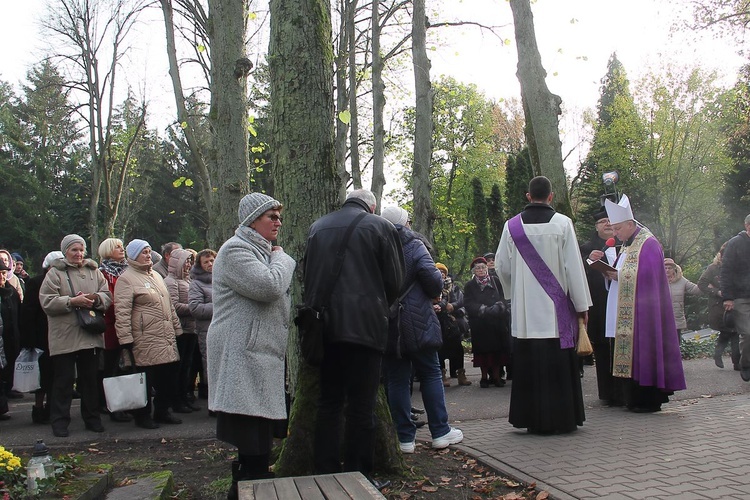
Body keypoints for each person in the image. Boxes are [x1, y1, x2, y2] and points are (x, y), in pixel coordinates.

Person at [304, 189, 404, 482]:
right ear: (372, 206)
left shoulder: (317, 226)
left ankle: (325, 471)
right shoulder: (380, 226)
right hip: (366, 327)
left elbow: (308, 273)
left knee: (329, 402)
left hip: (324, 327)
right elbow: (395, 280)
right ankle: (359, 475)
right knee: (362, 406)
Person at [207, 193, 296, 498]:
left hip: (257, 353)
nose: (278, 222)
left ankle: (248, 487)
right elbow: (268, 286)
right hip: (242, 353)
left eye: (279, 216)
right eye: (271, 216)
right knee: (251, 438)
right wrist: (283, 258)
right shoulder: (235, 250)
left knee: (258, 439)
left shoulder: (261, 250)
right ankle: (247, 489)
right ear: (252, 219)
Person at [496, 176, 591, 434]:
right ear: (551, 196)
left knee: (529, 366)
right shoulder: (562, 223)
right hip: (556, 314)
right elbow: (573, 266)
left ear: (528, 196)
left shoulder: (511, 226)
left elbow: (501, 266)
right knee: (557, 366)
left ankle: (530, 419)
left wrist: (514, 293)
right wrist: (582, 305)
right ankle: (562, 419)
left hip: (526, 317)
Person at [380, 206, 463, 455]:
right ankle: (440, 431)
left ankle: (405, 438)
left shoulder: (374, 245)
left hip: (388, 322)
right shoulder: (415, 245)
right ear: (406, 223)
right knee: (430, 373)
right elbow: (434, 281)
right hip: (418, 320)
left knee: (396, 379)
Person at [604, 194, 686, 411]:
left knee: (645, 352)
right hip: (630, 310)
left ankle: (647, 400)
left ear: (630, 224)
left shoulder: (647, 243)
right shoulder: (627, 243)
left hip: (645, 311)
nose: (615, 233)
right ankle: (633, 398)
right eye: (613, 228)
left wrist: (619, 275)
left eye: (618, 228)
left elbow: (648, 276)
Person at [40, 235, 112, 437]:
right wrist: (72, 301)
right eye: (74, 250)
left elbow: (107, 296)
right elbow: (47, 302)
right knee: (63, 381)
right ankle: (60, 421)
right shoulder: (55, 273)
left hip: (90, 334)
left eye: (81, 250)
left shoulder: (94, 271)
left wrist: (95, 299)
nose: (79, 254)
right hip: (65, 335)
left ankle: (92, 418)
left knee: (90, 380)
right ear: (65, 252)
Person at [114, 239, 183, 429]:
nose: (147, 255)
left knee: (167, 377)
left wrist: (177, 329)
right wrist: (125, 338)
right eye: (143, 252)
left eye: (149, 251)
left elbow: (168, 305)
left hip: (165, 336)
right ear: (134, 255)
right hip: (144, 338)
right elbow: (122, 311)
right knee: (146, 379)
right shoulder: (126, 278)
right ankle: (143, 416)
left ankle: (162, 411)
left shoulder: (157, 276)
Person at [580, 210, 623, 406]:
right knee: (604, 350)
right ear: (596, 226)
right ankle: (608, 393)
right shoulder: (586, 248)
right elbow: (577, 272)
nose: (606, 224)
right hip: (600, 307)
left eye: (610, 221)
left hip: (623, 305)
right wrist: (588, 260)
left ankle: (625, 390)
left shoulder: (626, 245)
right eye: (602, 221)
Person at [20, 251, 63, 425]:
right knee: (42, 376)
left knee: (57, 374)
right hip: (40, 336)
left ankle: (53, 408)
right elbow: (28, 312)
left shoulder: (64, 281)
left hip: (59, 335)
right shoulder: (36, 282)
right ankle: (38, 408)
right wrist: (29, 341)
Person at [97, 238, 132, 423]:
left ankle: (127, 403)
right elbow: (109, 299)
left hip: (129, 324)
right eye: (117, 247)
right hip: (111, 326)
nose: (121, 249)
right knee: (111, 368)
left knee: (126, 366)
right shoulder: (103, 274)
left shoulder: (128, 271)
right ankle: (111, 404)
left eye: (122, 246)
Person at [464, 257, 511, 388]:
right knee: (483, 353)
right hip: (480, 324)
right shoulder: (470, 285)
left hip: (496, 323)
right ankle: (484, 377)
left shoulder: (496, 281)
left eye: (483, 267)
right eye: (478, 268)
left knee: (497, 352)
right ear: (474, 270)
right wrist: (482, 309)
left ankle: (496, 377)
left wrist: (499, 307)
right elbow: (467, 303)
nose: (481, 270)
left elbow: (504, 297)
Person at [165, 248, 200, 414]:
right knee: (179, 367)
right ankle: (176, 399)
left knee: (187, 366)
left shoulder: (188, 280)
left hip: (191, 329)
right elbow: (174, 306)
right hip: (181, 330)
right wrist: (196, 308)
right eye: (185, 261)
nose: (188, 264)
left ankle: (185, 396)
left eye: (190, 261)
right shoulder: (171, 282)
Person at [698, 244, 740, 370]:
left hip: (736, 303)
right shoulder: (713, 268)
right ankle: (720, 354)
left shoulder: (738, 267)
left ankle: (735, 362)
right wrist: (717, 292)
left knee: (735, 332)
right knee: (728, 331)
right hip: (718, 305)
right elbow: (701, 283)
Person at [721, 214, 750, 382]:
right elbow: (726, 272)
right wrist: (728, 298)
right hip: (740, 297)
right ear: (747, 226)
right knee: (747, 334)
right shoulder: (735, 244)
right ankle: (745, 364)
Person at [434, 262, 470, 386]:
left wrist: (452, 306)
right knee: (440, 349)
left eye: (443, 272)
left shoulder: (453, 287)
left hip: (452, 322)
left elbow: (460, 301)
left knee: (457, 349)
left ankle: (461, 374)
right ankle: (442, 375)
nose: (441, 274)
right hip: (438, 321)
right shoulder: (432, 286)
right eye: (438, 271)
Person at [188, 248, 215, 402]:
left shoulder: (221, 278)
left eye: (212, 260)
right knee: (209, 365)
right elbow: (195, 308)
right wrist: (219, 306)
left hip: (222, 327)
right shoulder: (196, 284)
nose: (210, 264)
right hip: (206, 330)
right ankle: (212, 402)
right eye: (206, 262)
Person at [664, 258, 701, 337]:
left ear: (674, 269)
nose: (667, 270)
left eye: (669, 268)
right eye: (665, 268)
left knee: (676, 342)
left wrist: (706, 286)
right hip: (662, 317)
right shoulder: (657, 281)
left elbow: (694, 289)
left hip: (677, 317)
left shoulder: (681, 280)